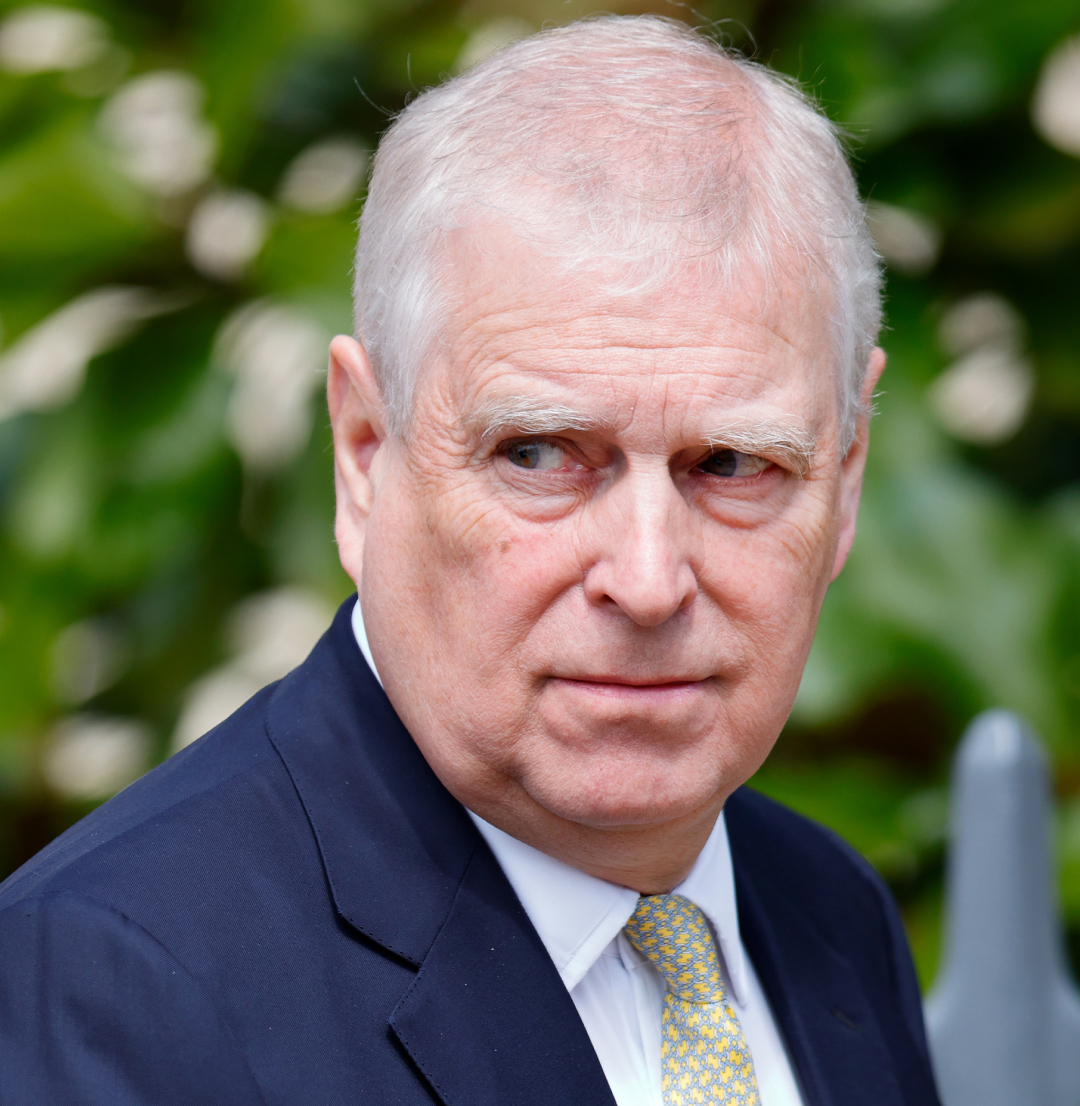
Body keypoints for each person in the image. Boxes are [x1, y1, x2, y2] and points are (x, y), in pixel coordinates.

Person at [0, 15, 940, 1106]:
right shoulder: (112, 986)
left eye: (731, 463)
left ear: (847, 473)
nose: (646, 579)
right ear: (364, 452)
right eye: (539, 453)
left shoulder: (827, 910)